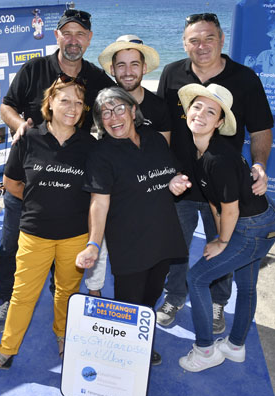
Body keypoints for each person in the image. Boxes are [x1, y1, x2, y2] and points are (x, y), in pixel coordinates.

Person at [0, 8, 113, 333]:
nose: (73, 40)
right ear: (56, 36)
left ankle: (60, 300)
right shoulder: (33, 69)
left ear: (89, 39)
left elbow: (118, 110)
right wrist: (20, 126)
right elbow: (6, 105)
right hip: (29, 181)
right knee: (11, 246)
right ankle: (5, 298)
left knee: (66, 251)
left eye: (80, 34)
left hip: (70, 187)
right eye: (67, 33)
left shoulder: (98, 79)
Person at [156, 13, 273, 332]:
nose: (202, 45)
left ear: (222, 40)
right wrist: (166, 173)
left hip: (223, 188)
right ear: (184, 44)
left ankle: (218, 301)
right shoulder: (171, 73)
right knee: (175, 248)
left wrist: (260, 164)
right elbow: (163, 128)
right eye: (194, 40)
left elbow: (261, 129)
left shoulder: (245, 78)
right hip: (180, 185)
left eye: (209, 38)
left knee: (222, 246)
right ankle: (174, 296)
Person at [0, 77, 95, 369]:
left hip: (75, 236)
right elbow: (12, 183)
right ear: (50, 102)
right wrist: (39, 203)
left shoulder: (90, 145)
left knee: (67, 293)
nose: (72, 108)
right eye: (65, 100)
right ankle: (5, 352)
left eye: (79, 103)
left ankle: (64, 336)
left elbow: (97, 192)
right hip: (34, 233)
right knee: (23, 294)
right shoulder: (28, 138)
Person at [75, 87, 189, 365]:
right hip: (130, 244)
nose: (113, 117)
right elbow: (99, 203)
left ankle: (139, 341)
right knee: (129, 304)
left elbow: (171, 173)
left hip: (163, 236)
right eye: (105, 113)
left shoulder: (155, 140)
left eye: (119, 109)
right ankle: (126, 357)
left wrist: (177, 181)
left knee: (152, 296)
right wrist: (93, 244)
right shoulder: (101, 154)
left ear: (133, 110)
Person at [175, 83, 275, 372]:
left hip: (254, 226)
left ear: (220, 123)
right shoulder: (200, 151)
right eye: (197, 107)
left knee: (197, 278)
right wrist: (221, 236)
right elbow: (214, 202)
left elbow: (230, 209)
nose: (201, 114)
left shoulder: (217, 158)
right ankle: (235, 347)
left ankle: (205, 350)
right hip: (257, 219)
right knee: (246, 286)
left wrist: (222, 242)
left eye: (211, 112)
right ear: (187, 111)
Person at [80, 34, 173, 297]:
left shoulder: (158, 107)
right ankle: (94, 292)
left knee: (142, 268)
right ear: (112, 69)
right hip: (109, 184)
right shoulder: (103, 99)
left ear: (144, 68)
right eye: (121, 65)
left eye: (134, 64)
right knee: (99, 239)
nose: (128, 71)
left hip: (143, 199)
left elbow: (163, 156)